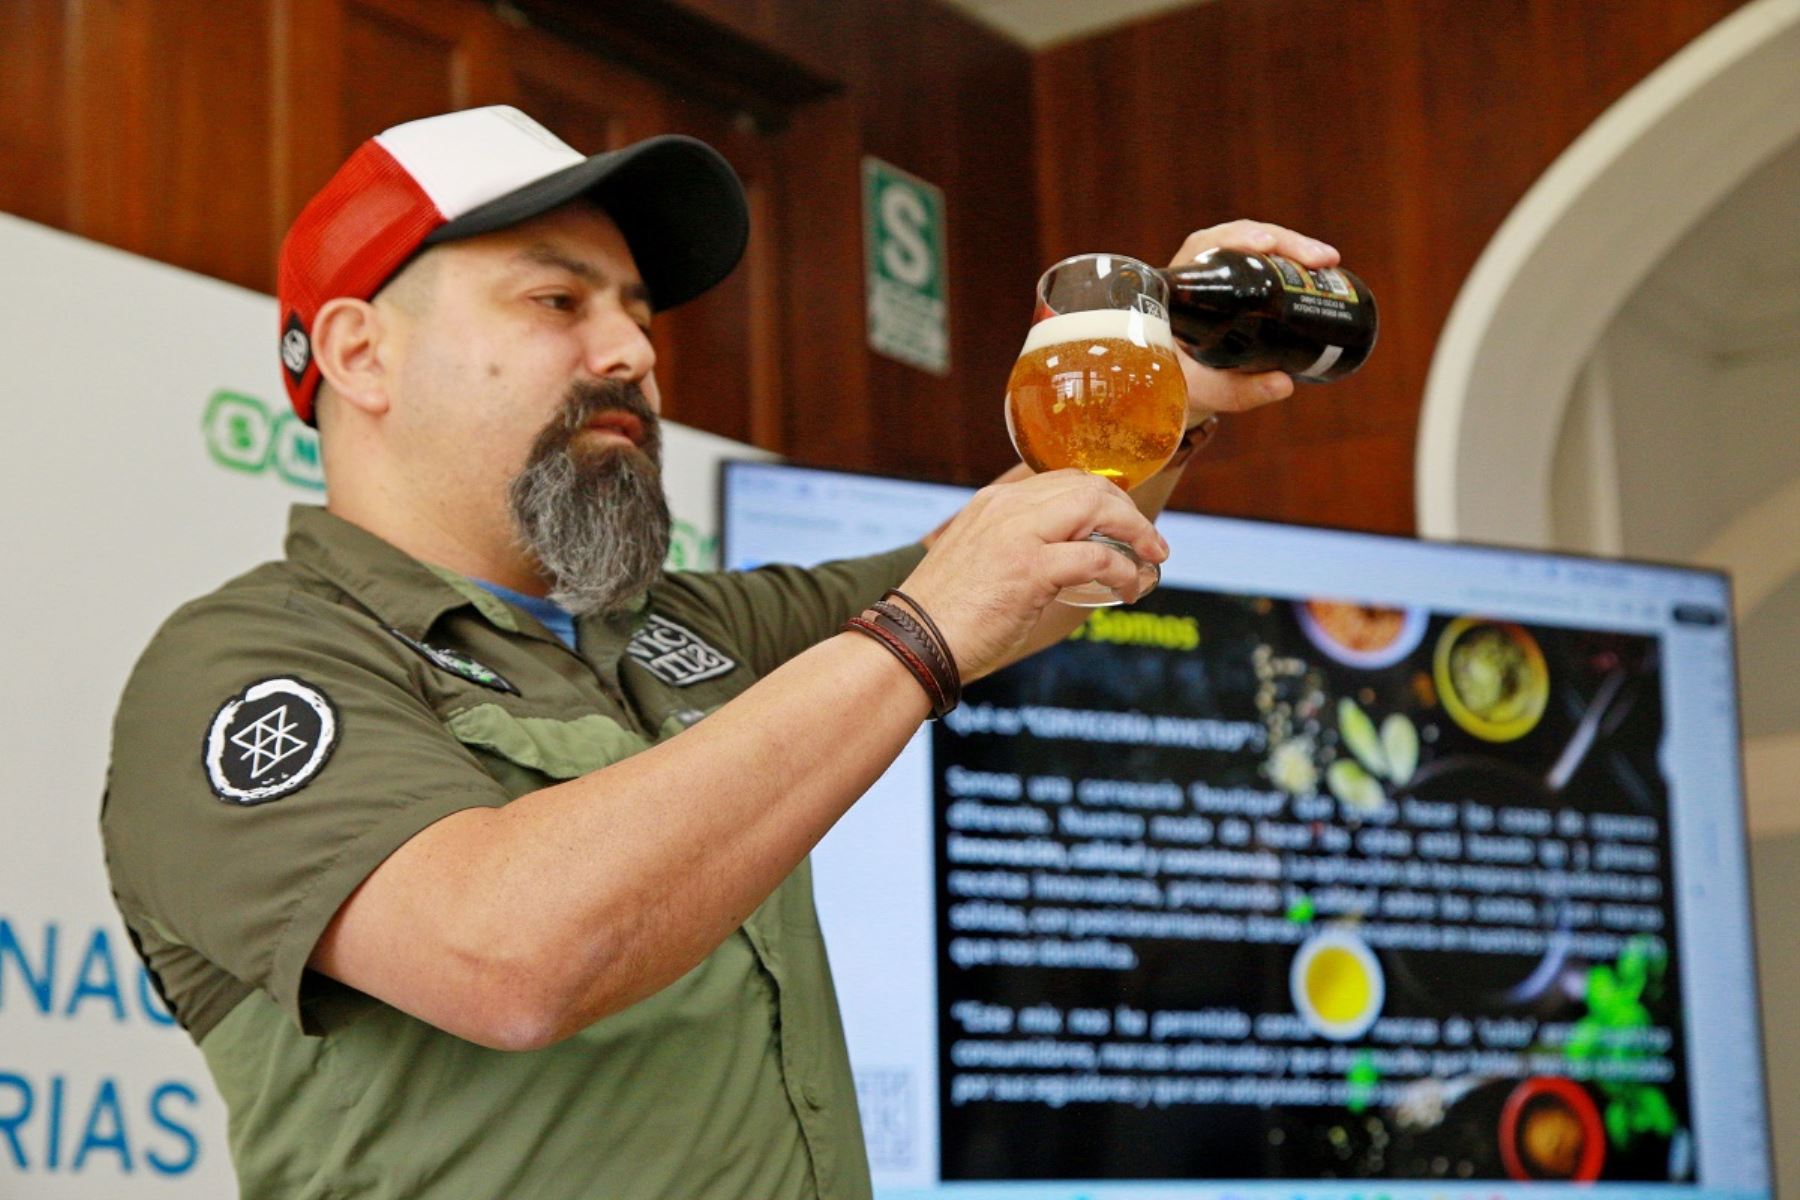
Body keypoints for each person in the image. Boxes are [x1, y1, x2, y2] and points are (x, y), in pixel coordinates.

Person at [101, 105, 1340, 1199]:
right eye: (557, 302)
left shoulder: (678, 631)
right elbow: (509, 956)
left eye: (637, 313)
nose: (634, 354)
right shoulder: (241, 665)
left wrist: (1153, 382)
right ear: (361, 353)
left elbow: (1017, 572)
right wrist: (919, 637)